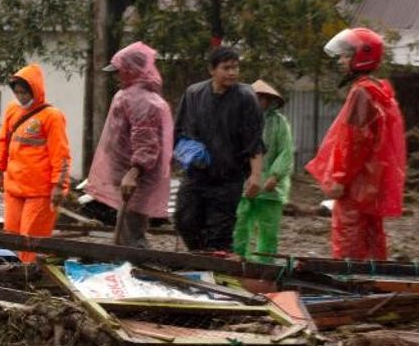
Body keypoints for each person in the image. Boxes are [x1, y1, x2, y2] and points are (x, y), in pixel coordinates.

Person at [306, 27, 406, 260]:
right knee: (372, 239)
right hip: (371, 182)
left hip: (355, 185)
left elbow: (354, 141)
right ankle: (374, 279)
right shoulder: (379, 91)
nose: (340, 60)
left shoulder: (361, 92)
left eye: (345, 55)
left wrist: (339, 178)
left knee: (349, 241)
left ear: (361, 56)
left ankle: (350, 281)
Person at [172, 46, 265, 251]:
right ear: (212, 70)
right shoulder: (194, 94)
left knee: (220, 231)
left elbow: (254, 140)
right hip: (196, 173)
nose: (232, 72)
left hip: (228, 177)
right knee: (184, 219)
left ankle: (215, 264)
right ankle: (200, 258)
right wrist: (183, 154)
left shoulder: (246, 97)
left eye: (235, 67)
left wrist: (256, 175)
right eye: (226, 68)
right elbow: (179, 131)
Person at [88, 42, 173, 248]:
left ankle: (136, 263)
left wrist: (134, 172)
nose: (117, 76)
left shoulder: (142, 100)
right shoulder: (131, 94)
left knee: (131, 232)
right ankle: (125, 261)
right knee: (126, 227)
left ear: (130, 70)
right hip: (128, 174)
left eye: (119, 71)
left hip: (136, 177)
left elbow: (146, 142)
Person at [0, 64, 70, 262]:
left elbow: (61, 154)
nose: (21, 97)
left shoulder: (52, 116)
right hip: (14, 187)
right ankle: (12, 272)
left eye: (24, 92)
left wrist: (59, 186)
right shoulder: (12, 110)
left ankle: (29, 274)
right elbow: (3, 141)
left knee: (31, 240)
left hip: (40, 192)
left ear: (35, 90)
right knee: (11, 237)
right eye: (17, 92)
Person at [232, 80, 294, 261]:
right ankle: (237, 261)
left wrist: (275, 175)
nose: (258, 102)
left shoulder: (279, 123)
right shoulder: (238, 121)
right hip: (242, 182)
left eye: (262, 98)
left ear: (269, 100)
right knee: (239, 224)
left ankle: (265, 264)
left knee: (268, 229)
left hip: (270, 186)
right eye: (254, 98)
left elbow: (285, 151)